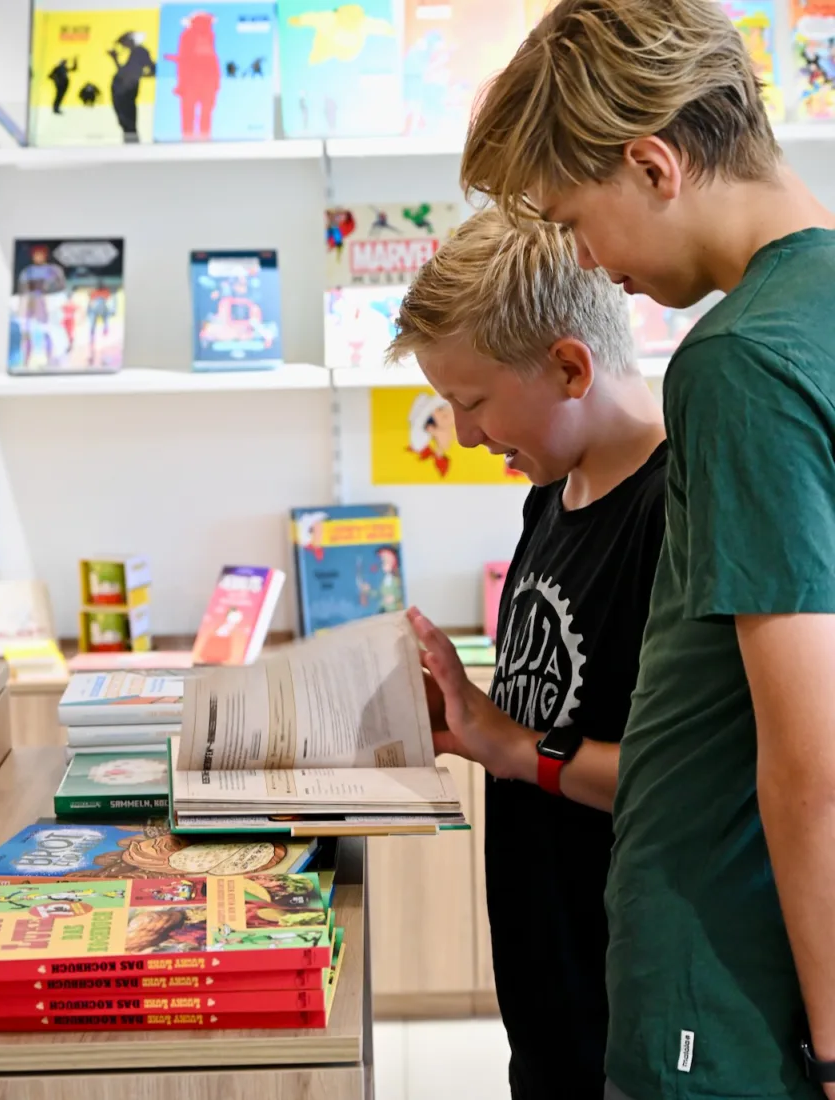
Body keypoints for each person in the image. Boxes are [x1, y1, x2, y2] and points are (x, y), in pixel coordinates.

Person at [460, 2, 835, 1098]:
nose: (581, 257)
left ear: (653, 164)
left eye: (572, 217)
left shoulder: (736, 363)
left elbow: (806, 760)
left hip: (716, 983)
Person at [387, 206, 666, 1100]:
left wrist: (511, 749)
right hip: (546, 975)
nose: (464, 435)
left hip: (633, 990)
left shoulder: (676, 510)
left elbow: (698, 777)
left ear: (570, 366)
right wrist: (467, 723)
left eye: (472, 402)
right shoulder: (554, 490)